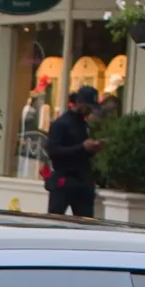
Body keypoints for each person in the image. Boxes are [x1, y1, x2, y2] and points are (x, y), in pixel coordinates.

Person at [45, 84, 102, 218]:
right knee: (55, 221)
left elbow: (83, 153)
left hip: (83, 180)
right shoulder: (61, 124)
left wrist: (93, 148)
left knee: (86, 222)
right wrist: (82, 147)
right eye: (88, 107)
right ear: (78, 102)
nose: (89, 111)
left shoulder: (84, 125)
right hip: (64, 179)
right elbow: (53, 151)